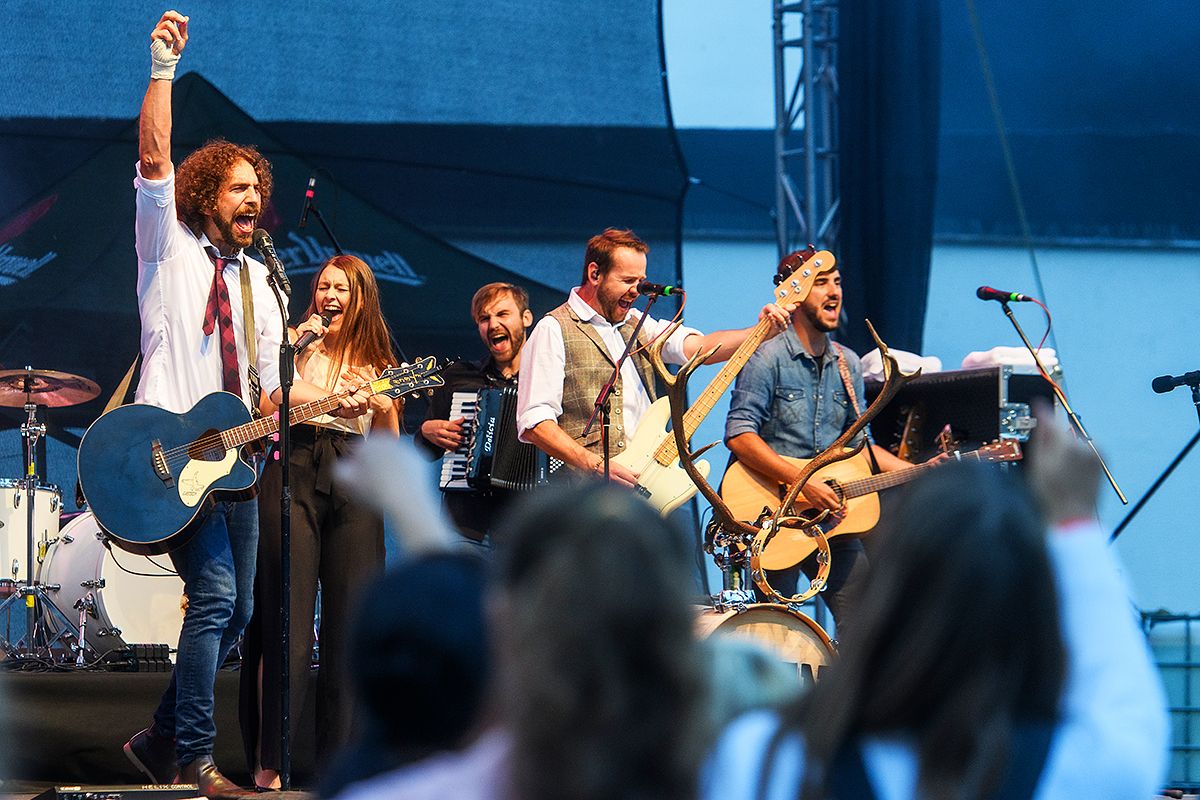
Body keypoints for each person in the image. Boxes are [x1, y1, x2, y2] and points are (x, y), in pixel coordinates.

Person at [120, 13, 370, 798]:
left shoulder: (263, 281)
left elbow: (268, 393)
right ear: (206, 195)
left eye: (258, 189)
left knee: (234, 614)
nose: (253, 198)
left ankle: (159, 739)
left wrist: (329, 401)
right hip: (167, 456)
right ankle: (194, 759)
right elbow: (153, 157)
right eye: (238, 188)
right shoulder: (167, 246)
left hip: (233, 465)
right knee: (219, 596)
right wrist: (163, 68)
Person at [702, 405, 1169, 800]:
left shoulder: (762, 761)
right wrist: (1075, 520)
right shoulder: (1095, 769)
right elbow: (1121, 684)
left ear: (885, 594)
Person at [238, 255, 402, 789]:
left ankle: (342, 767)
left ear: (360, 299)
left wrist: (381, 404)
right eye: (324, 286)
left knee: (351, 621)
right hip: (294, 467)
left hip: (355, 476)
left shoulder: (377, 361)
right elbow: (271, 399)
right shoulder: (293, 344)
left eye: (342, 289)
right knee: (284, 620)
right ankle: (271, 762)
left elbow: (387, 448)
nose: (330, 295)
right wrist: (334, 398)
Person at [724, 254, 928, 641]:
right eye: (821, 283)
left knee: (868, 627)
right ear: (795, 294)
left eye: (837, 281)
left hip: (832, 523)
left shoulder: (847, 363)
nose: (834, 291)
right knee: (771, 635)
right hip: (774, 519)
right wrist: (803, 483)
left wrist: (921, 471)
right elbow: (739, 434)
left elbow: (860, 446)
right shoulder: (767, 356)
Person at [516, 228, 791, 486]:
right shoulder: (554, 328)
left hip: (643, 486)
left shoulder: (639, 323)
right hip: (582, 494)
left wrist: (760, 331)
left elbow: (701, 349)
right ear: (595, 273)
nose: (636, 291)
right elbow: (535, 423)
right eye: (627, 281)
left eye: (640, 282)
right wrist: (595, 465)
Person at [415, 282, 534, 542]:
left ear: (526, 318)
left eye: (502, 314)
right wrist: (426, 431)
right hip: (466, 524)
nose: (493, 325)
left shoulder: (546, 381)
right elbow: (425, 452)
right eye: (484, 318)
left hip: (527, 527)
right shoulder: (459, 376)